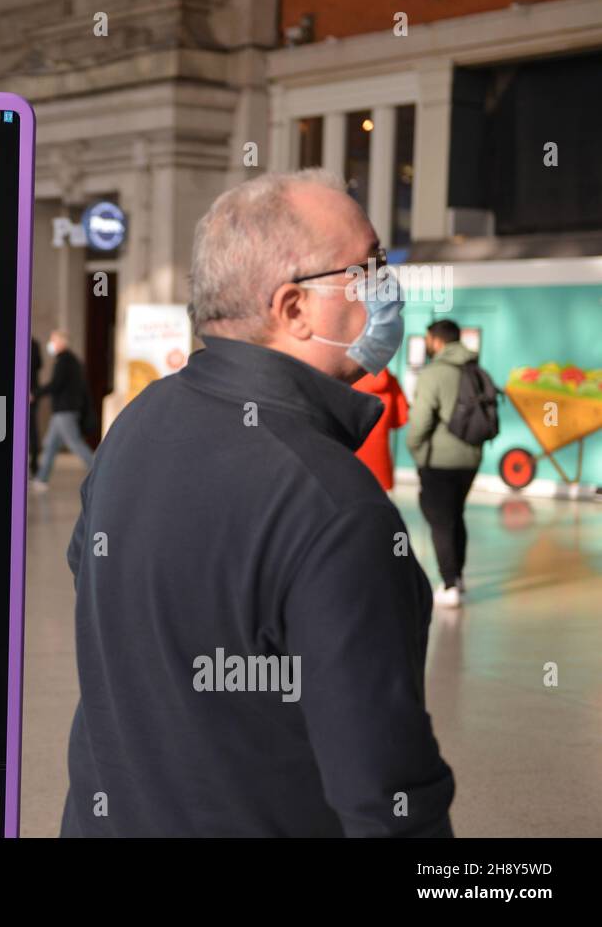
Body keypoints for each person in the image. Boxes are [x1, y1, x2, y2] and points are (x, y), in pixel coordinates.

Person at [61, 169, 454, 837]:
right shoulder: (335, 508)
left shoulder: (136, 424)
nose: (389, 284)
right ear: (293, 307)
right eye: (370, 266)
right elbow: (387, 806)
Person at [405, 319, 483, 609]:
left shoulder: (434, 373)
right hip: (471, 458)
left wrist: (414, 448)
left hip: (439, 460)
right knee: (455, 515)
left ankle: (449, 584)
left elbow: (421, 420)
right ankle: (458, 578)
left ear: (435, 340)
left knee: (440, 521)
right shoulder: (475, 368)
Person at [30, 330, 95, 491]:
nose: (50, 344)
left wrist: (35, 394)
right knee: (50, 445)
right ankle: (41, 479)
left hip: (65, 411)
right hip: (63, 410)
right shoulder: (70, 360)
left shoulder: (64, 361)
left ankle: (99, 470)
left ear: (61, 342)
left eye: (53, 340)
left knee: (75, 444)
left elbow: (55, 384)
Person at [353, 367, 409, 491]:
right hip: (382, 467)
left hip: (352, 465)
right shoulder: (391, 382)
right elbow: (401, 420)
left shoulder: (351, 380)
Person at [29, 336, 42, 477]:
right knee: (32, 431)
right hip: (33, 392)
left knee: (31, 431)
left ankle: (34, 465)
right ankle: (34, 465)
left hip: (30, 393)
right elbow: (40, 365)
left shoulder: (29, 343)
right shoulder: (35, 344)